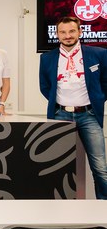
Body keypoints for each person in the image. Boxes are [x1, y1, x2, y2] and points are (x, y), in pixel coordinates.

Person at [39, 16, 107, 199]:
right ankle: (60, 206)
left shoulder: (99, 54)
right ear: (57, 34)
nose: (67, 35)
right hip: (60, 115)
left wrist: (99, 99)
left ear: (79, 32)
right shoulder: (47, 58)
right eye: (63, 32)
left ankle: (103, 205)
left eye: (71, 31)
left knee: (100, 166)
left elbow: (105, 82)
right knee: (57, 164)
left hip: (89, 115)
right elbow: (45, 86)